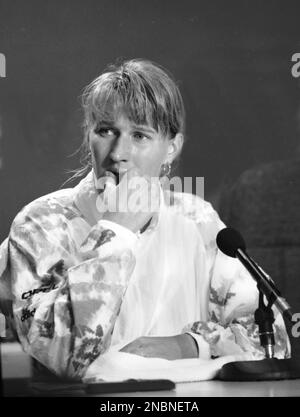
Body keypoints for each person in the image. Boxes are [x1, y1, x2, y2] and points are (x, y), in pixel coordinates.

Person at [0, 59, 290, 381]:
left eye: (140, 135)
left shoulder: (197, 219)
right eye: (106, 131)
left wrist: (191, 344)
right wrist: (115, 232)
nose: (118, 153)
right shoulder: (41, 224)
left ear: (171, 149)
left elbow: (273, 336)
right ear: (88, 136)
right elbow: (66, 356)